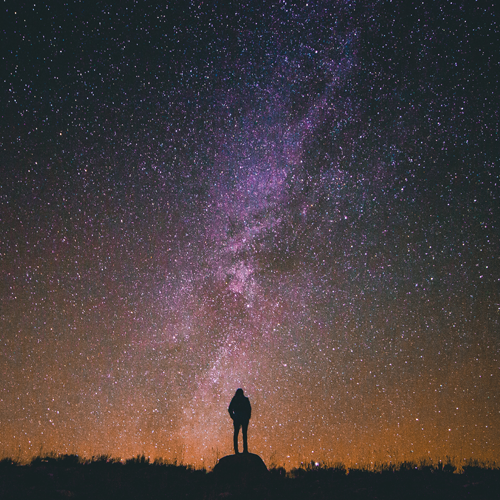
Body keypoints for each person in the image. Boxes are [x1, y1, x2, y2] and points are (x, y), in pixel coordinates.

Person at [228, 388, 251, 454]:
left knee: (237, 434)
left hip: (239, 418)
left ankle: (237, 451)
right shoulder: (244, 399)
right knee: (243, 434)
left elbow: (230, 409)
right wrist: (247, 417)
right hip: (241, 418)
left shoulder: (235, 400)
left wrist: (233, 417)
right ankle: (244, 450)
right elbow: (249, 409)